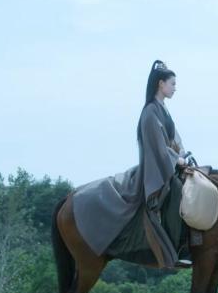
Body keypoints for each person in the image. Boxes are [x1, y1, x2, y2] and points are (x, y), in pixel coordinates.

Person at [72, 60, 192, 269]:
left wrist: (182, 153)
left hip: (168, 163)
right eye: (172, 83)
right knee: (176, 190)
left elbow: (174, 139)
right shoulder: (149, 113)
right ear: (160, 84)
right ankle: (177, 246)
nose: (175, 88)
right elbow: (157, 148)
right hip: (155, 169)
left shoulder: (162, 110)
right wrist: (176, 159)